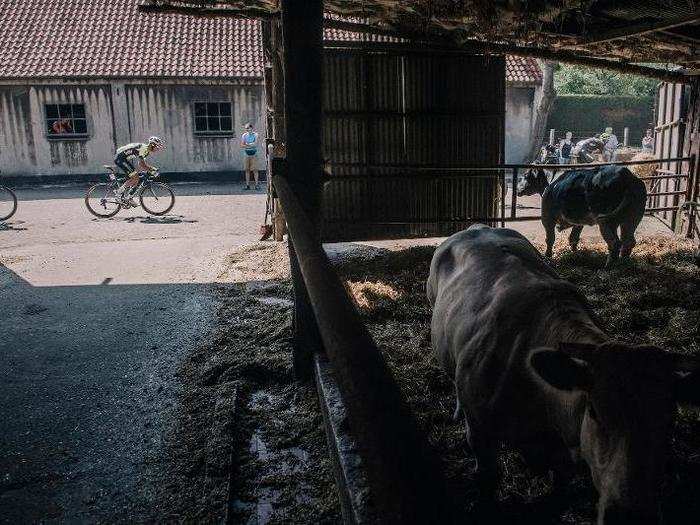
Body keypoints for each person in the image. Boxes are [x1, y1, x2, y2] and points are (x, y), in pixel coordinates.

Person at [114, 136, 165, 203]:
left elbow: (141, 164)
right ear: (152, 145)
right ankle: (118, 193)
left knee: (136, 178)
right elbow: (142, 164)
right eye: (157, 146)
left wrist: (151, 169)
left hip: (124, 159)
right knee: (135, 177)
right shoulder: (143, 149)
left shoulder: (147, 151)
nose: (158, 149)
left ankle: (129, 197)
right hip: (120, 158)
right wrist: (152, 170)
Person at [240, 123, 259, 190]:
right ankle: (247, 185)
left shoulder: (255, 134)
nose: (248, 130)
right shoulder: (244, 135)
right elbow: (242, 145)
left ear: (252, 128)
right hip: (246, 153)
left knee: (255, 170)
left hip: (254, 153)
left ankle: (256, 185)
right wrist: (250, 144)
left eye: (249, 128)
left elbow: (255, 144)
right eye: (247, 129)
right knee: (247, 170)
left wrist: (247, 144)